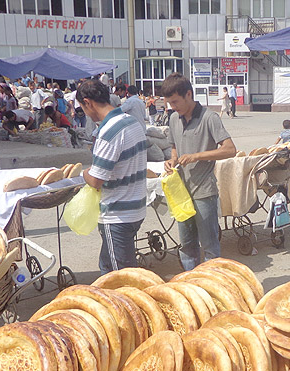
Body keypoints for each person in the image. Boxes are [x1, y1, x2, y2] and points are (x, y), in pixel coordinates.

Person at [162, 73, 237, 270]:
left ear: (189, 94)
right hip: (181, 192)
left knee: (210, 245)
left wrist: (197, 156)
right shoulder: (173, 119)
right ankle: (192, 283)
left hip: (204, 191)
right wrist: (172, 160)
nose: (173, 107)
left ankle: (213, 284)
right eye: (169, 103)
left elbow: (230, 149)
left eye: (175, 102)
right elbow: (174, 148)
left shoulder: (209, 118)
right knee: (187, 245)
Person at [76, 79, 148, 274]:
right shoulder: (131, 122)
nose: (85, 113)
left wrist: (83, 173)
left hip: (118, 213)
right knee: (107, 267)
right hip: (136, 207)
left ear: (87, 102)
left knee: (122, 278)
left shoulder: (108, 133)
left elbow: (97, 180)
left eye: (83, 108)